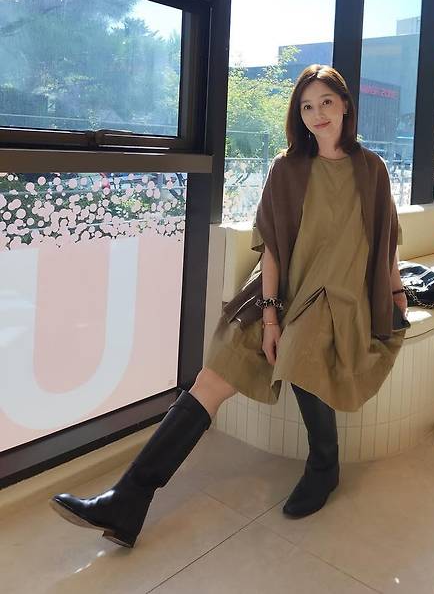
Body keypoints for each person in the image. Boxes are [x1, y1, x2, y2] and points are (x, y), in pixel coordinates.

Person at [49, 64, 409, 548]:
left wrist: (397, 296)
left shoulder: (372, 170)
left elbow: (386, 242)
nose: (317, 114)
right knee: (210, 379)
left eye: (326, 102)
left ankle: (325, 465)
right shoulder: (287, 169)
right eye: (307, 106)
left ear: (345, 104)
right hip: (281, 292)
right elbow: (273, 250)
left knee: (301, 350)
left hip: (340, 296)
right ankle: (129, 499)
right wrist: (269, 316)